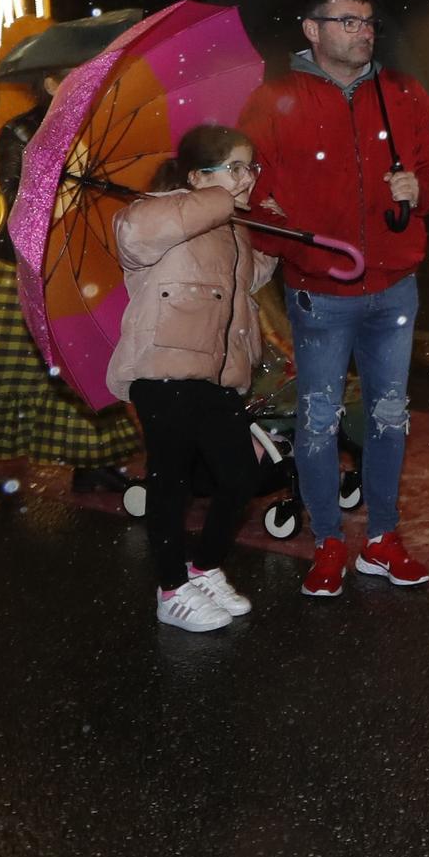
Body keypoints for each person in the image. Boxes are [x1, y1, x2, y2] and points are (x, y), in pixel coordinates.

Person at [240, 0, 429, 598]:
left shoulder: (404, 94)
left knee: (389, 416)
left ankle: (383, 539)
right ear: (311, 30)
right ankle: (329, 542)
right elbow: (250, 192)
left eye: (368, 21)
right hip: (320, 293)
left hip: (396, 287)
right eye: (347, 21)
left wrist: (424, 189)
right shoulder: (274, 101)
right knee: (316, 420)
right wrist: (292, 237)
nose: (363, 32)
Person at [109, 126, 276, 632]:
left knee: (240, 476)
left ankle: (202, 567)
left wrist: (273, 238)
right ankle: (170, 589)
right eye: (235, 168)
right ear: (196, 175)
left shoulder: (232, 226)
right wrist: (222, 200)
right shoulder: (153, 213)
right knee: (171, 481)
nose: (246, 179)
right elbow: (132, 237)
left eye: (251, 168)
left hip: (215, 375)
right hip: (162, 370)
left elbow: (243, 283)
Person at [0, 74, 142, 491]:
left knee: (80, 366)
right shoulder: (20, 132)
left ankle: (93, 461)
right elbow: (16, 205)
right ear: (50, 82)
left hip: (75, 266)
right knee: (8, 373)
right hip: (20, 268)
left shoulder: (99, 128)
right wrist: (64, 187)